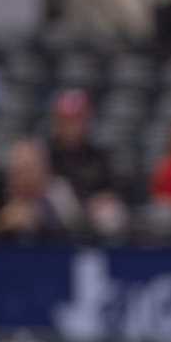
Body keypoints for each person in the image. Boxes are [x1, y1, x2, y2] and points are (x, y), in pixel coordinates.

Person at [46, 89, 128, 237]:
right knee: (57, 190)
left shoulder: (97, 155)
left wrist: (100, 200)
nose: (72, 126)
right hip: (55, 215)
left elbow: (112, 188)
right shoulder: (47, 154)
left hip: (92, 212)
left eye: (77, 119)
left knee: (110, 212)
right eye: (66, 120)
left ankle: (106, 256)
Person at [0, 138, 81, 239]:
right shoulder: (1, 194)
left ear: (43, 169)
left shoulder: (60, 191)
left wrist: (40, 218)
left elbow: (77, 232)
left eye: (28, 169)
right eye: (18, 171)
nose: (23, 177)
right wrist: (2, 224)